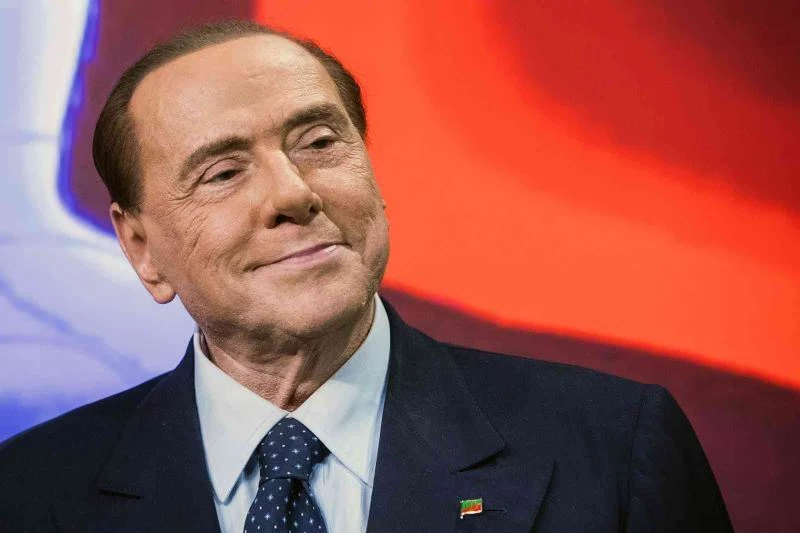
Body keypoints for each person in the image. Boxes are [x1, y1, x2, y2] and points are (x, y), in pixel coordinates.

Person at [0, 20, 733, 533]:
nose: (293, 193)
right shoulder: (29, 493)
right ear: (142, 249)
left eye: (319, 142)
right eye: (222, 172)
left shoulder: (613, 449)